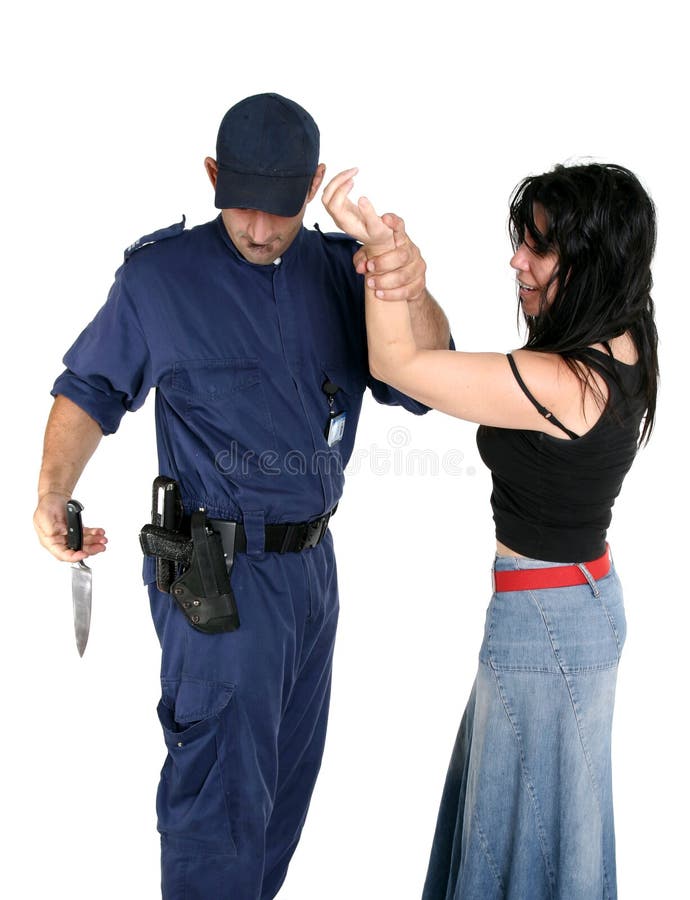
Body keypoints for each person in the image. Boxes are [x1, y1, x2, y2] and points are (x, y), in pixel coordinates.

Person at [33, 93, 450, 900]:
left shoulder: (343, 271)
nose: (260, 228)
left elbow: (429, 376)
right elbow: (89, 389)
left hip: (311, 574)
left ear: (316, 184)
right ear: (212, 175)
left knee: (280, 805)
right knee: (218, 814)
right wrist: (54, 489)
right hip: (213, 578)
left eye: (282, 210)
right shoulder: (160, 279)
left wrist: (407, 278)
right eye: (243, 206)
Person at [323, 161, 658, 899]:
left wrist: (382, 255)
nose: (517, 261)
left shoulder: (565, 383)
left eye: (539, 249)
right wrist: (408, 278)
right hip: (571, 606)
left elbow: (399, 364)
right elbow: (440, 355)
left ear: (592, 263)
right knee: (536, 837)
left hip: (544, 626)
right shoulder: (623, 337)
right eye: (521, 241)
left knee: (523, 841)